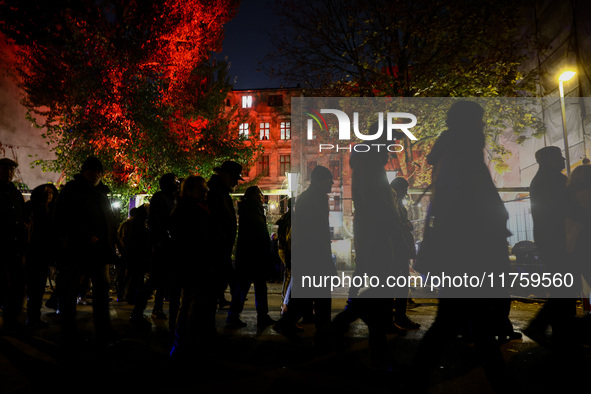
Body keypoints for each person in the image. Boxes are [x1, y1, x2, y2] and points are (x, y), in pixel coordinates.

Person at [411, 101, 514, 392]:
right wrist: (494, 226)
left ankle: (501, 383)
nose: (482, 126)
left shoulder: (452, 152)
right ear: (468, 123)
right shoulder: (463, 153)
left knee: (461, 323)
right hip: (469, 251)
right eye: (479, 121)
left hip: (460, 249)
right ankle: (416, 381)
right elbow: (471, 202)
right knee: (459, 323)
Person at [54, 156, 118, 346]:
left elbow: (109, 221)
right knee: (70, 293)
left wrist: (110, 241)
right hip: (78, 251)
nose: (97, 174)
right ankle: (68, 334)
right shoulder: (71, 191)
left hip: (100, 252)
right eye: (93, 170)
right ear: (84, 171)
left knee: (101, 293)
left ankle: (103, 332)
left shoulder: (101, 192)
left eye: (99, 171)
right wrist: (85, 235)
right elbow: (62, 219)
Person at [273, 166, 336, 350]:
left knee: (310, 296)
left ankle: (292, 324)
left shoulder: (312, 198)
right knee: (318, 296)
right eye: (329, 180)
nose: (332, 183)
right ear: (319, 180)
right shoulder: (311, 200)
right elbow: (312, 232)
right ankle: (321, 331)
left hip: (313, 254)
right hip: (313, 255)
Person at [524, 146, 579, 349]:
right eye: (559, 157)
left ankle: (560, 333)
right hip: (559, 240)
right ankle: (548, 329)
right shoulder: (554, 180)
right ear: (547, 160)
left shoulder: (543, 180)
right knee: (565, 288)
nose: (563, 159)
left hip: (550, 240)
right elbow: (566, 209)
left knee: (562, 287)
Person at [170, 176, 221, 359]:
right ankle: (184, 345)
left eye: (206, 189)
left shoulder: (195, 208)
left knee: (192, 304)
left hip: (197, 264)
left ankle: (186, 343)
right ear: (190, 191)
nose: (206, 192)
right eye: (202, 189)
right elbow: (192, 241)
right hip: (194, 265)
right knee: (191, 304)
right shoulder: (188, 210)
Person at [226, 186, 275, 328]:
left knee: (254, 287)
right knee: (248, 287)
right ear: (254, 195)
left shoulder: (250, 209)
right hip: (253, 255)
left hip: (250, 255)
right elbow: (258, 233)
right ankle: (237, 315)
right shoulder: (252, 210)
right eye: (260, 194)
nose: (262, 196)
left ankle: (256, 315)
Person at [207, 161, 243, 309]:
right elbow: (214, 220)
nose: (236, 182)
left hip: (221, 248)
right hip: (217, 249)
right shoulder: (215, 192)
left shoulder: (221, 192)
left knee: (220, 286)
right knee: (215, 288)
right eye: (234, 177)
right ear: (225, 175)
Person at [24, 183, 59, 329]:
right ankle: (32, 318)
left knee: (38, 289)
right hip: (33, 253)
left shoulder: (52, 211)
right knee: (34, 288)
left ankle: (34, 317)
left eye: (51, 193)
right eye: (46, 193)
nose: (49, 195)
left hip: (43, 254)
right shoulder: (32, 208)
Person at [0, 158, 28, 333]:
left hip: (15, 246)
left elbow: (22, 216)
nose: (9, 173)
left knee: (17, 284)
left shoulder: (15, 193)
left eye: (11, 170)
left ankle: (11, 318)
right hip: (2, 244)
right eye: (5, 169)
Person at [389, 177, 420, 330]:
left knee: (399, 284)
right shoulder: (393, 204)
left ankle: (397, 316)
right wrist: (406, 225)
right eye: (405, 189)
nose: (406, 193)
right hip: (397, 250)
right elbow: (398, 226)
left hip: (399, 250)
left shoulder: (398, 205)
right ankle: (398, 317)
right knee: (399, 285)